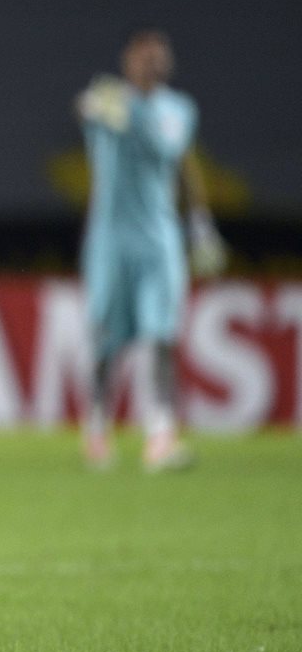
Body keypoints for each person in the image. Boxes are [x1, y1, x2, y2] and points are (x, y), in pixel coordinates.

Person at [76, 28, 224, 472]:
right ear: (128, 62)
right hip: (110, 238)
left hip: (159, 237)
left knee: (162, 336)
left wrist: (200, 222)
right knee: (107, 339)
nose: (152, 66)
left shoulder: (179, 110)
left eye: (159, 59)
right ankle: (98, 423)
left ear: (168, 65)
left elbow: (182, 160)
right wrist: (97, 106)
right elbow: (86, 108)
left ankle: (160, 434)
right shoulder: (108, 98)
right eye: (144, 58)